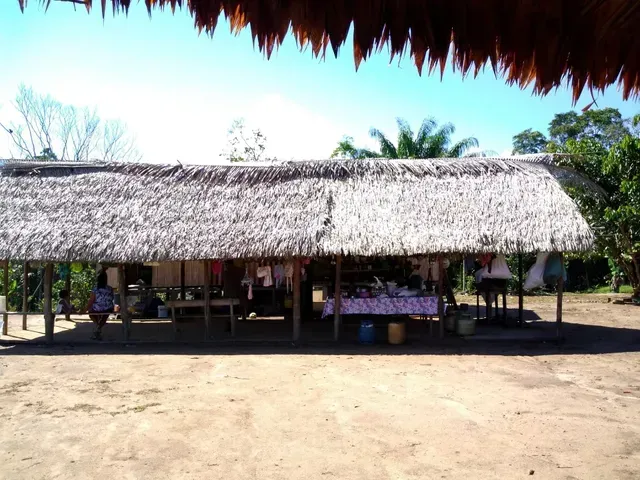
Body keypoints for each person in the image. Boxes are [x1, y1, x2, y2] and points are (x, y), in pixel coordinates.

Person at [84, 271, 115, 340]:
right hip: (108, 308)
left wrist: (84, 309)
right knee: (105, 316)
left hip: (97, 308)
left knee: (91, 313)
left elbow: (91, 301)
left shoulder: (95, 289)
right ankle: (99, 327)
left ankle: (97, 326)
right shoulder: (110, 288)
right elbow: (112, 298)